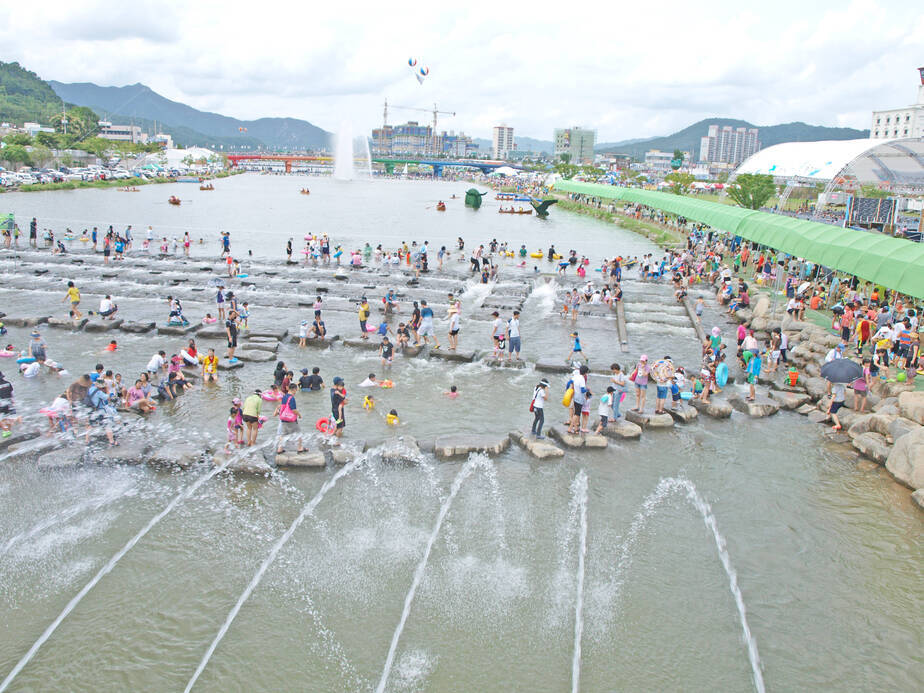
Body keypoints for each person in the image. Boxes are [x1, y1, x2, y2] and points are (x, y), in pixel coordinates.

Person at [274, 383, 305, 454]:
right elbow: (293, 409)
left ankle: (280, 449)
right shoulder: (292, 398)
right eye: (296, 390)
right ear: (294, 389)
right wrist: (299, 414)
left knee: (283, 434)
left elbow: (283, 407)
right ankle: (300, 448)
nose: (296, 391)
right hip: (291, 420)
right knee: (298, 433)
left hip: (283, 418)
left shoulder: (284, 397)